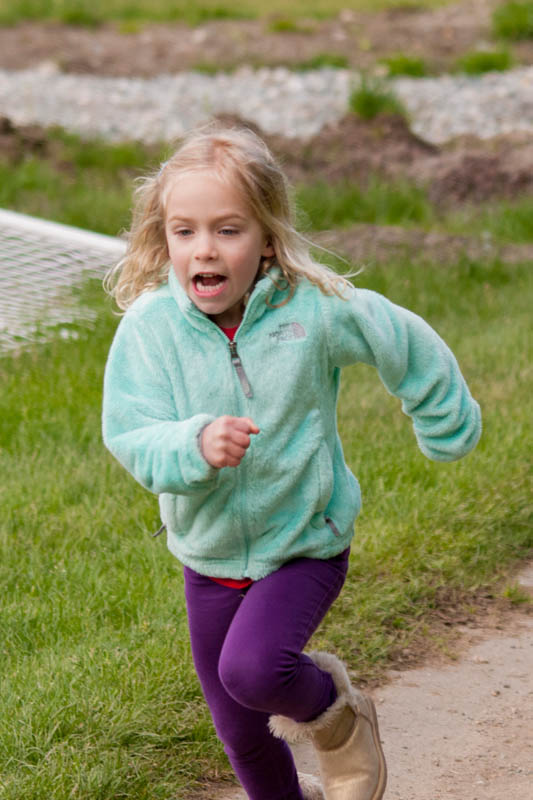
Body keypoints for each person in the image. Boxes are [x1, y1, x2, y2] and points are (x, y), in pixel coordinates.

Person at [102, 124, 481, 800]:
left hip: (305, 540)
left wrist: (442, 419)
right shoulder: (151, 327)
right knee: (240, 729)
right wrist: (191, 444)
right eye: (184, 231)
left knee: (252, 672)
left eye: (227, 229)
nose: (204, 249)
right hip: (209, 554)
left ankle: (337, 719)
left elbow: (399, 339)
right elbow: (129, 431)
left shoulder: (311, 309)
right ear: (164, 240)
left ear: (267, 237)